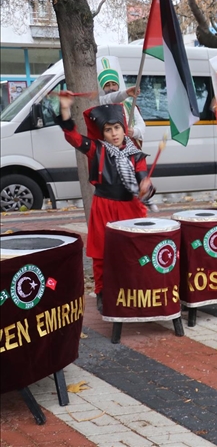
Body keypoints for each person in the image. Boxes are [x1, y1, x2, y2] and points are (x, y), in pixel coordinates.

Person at [56, 93, 155, 314]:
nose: (114, 134)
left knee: (135, 250)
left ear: (124, 129)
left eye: (117, 129)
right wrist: (64, 108)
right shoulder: (96, 149)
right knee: (101, 252)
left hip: (130, 208)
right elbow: (72, 137)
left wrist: (145, 186)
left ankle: (135, 288)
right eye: (109, 130)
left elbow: (142, 178)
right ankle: (102, 292)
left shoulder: (136, 153)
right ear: (103, 133)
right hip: (104, 206)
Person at [97, 56, 146, 145]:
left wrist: (134, 132)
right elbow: (111, 98)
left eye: (114, 84)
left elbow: (141, 125)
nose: (111, 87)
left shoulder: (129, 105)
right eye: (107, 85)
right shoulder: (100, 103)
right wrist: (125, 93)